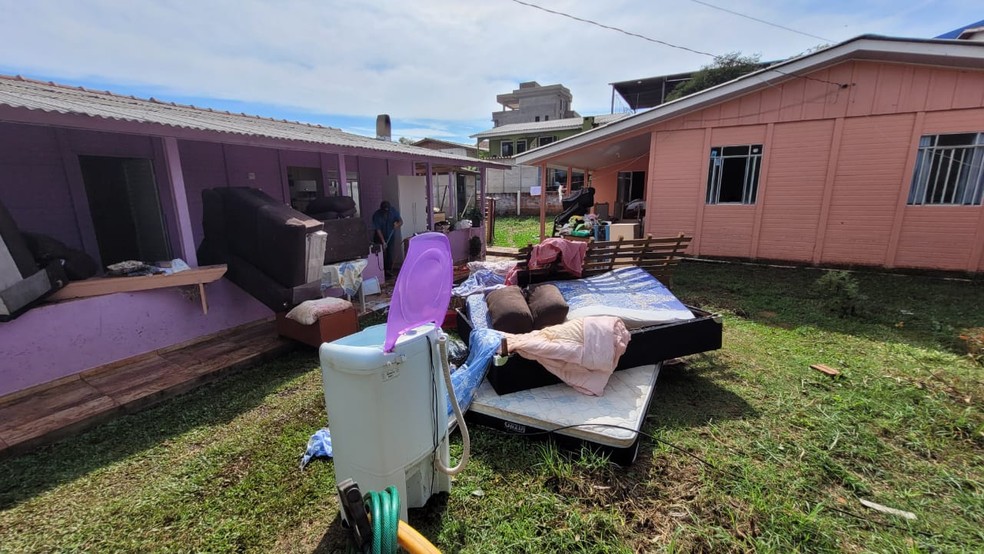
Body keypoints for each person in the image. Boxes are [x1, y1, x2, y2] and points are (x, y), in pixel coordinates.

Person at [371, 200, 402, 278]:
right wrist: (383, 242)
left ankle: (388, 271)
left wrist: (397, 224)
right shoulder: (376, 215)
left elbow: (401, 221)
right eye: (384, 211)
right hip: (379, 237)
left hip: (390, 236)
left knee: (390, 253)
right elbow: (378, 229)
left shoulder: (393, 211)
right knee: (380, 253)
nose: (386, 213)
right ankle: (380, 271)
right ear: (381, 209)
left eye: (387, 211)